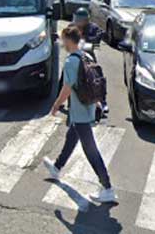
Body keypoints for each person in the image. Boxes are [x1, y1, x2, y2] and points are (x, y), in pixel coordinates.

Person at [43, 26, 116, 204]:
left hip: (81, 112)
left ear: (69, 40)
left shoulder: (71, 62)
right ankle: (57, 167)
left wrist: (56, 105)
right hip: (86, 108)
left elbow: (67, 88)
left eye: (63, 40)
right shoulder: (86, 56)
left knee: (90, 150)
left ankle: (107, 188)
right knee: (72, 137)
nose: (62, 43)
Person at [73, 8, 109, 115]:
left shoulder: (93, 27)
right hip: (75, 54)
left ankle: (102, 102)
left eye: (81, 20)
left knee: (97, 75)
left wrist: (93, 38)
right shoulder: (72, 28)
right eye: (77, 20)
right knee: (66, 75)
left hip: (89, 55)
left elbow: (100, 36)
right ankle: (59, 98)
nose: (79, 22)